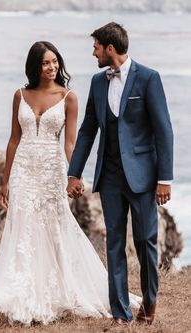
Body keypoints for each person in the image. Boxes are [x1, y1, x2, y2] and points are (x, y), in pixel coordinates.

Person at [0, 41, 140, 326]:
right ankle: (23, 294)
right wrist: (5, 182)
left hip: (52, 170)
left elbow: (71, 143)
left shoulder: (68, 97)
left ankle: (61, 290)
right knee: (23, 228)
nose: (51, 67)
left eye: (54, 62)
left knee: (55, 226)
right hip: (24, 169)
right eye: (45, 63)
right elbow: (13, 139)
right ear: (35, 66)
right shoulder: (20, 95)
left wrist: (74, 175)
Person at [67, 22, 173, 326]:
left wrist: (164, 179)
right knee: (114, 242)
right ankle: (121, 314)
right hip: (110, 175)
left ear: (109, 49)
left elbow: (163, 130)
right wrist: (75, 172)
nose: (93, 53)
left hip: (142, 176)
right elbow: (87, 131)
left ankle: (149, 302)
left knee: (145, 241)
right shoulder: (98, 82)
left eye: (96, 47)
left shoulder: (149, 79)